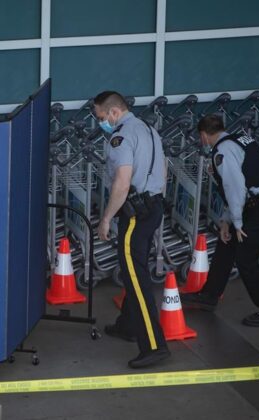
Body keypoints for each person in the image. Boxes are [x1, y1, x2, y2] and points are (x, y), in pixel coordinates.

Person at [181, 114, 259, 326]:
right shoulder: (239, 139)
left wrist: (235, 223)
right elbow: (244, 185)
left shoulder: (222, 153)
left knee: (246, 258)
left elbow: (234, 188)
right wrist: (226, 222)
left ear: (203, 136)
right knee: (226, 244)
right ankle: (209, 296)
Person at [94, 91, 170, 368]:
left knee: (137, 280)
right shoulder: (149, 129)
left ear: (113, 112)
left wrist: (106, 218)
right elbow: (163, 171)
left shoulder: (121, 137)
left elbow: (122, 183)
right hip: (153, 207)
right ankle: (128, 325)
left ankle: (154, 345)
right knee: (133, 271)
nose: (101, 122)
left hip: (135, 214)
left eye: (101, 117)